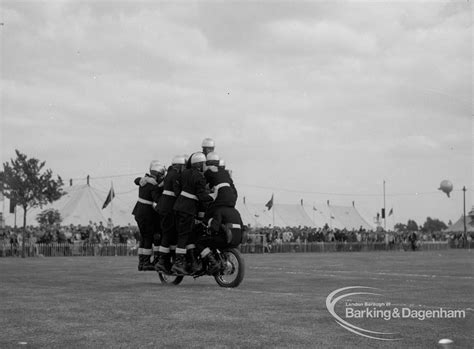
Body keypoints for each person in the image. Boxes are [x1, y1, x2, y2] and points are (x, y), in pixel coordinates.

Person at [171, 152, 215, 275]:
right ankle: (179, 263)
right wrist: (213, 196)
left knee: (185, 235)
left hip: (178, 206)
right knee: (184, 236)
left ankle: (189, 261)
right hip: (188, 209)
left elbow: (178, 188)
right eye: (204, 163)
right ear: (200, 164)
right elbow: (201, 196)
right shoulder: (199, 177)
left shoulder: (184, 173)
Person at [132, 160, 166, 271]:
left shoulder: (144, 181)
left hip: (139, 210)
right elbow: (157, 198)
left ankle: (142, 262)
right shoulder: (153, 185)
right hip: (146, 212)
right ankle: (146, 262)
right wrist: (161, 187)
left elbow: (136, 180)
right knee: (149, 236)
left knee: (144, 236)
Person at [154, 155, 186, 274]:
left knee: (168, 233)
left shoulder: (168, 175)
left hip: (163, 207)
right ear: (179, 165)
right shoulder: (176, 175)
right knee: (168, 233)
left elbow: (158, 187)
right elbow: (177, 192)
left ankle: (163, 260)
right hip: (168, 208)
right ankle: (162, 262)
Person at [197, 206, 245, 274]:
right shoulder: (236, 211)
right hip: (237, 239)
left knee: (200, 243)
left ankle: (213, 263)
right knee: (217, 243)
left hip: (226, 238)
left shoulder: (219, 210)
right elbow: (242, 226)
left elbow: (215, 226)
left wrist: (209, 231)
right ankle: (225, 260)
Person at [203, 152, 238, 220]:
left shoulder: (208, 171)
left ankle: (206, 228)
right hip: (231, 199)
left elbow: (203, 185)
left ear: (207, 162)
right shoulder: (225, 172)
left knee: (209, 212)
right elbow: (233, 189)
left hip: (221, 198)